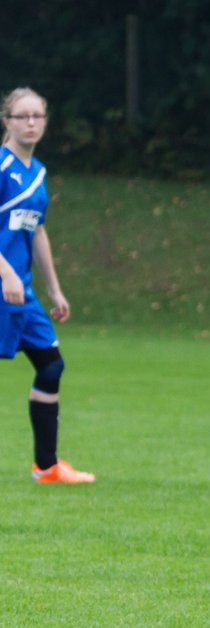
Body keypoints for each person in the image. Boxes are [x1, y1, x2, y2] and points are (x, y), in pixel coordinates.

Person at [1, 87, 94, 483]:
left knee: (51, 366)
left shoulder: (37, 172)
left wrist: (54, 289)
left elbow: (36, 231)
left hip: (23, 292)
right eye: (23, 116)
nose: (31, 122)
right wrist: (4, 272)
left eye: (38, 116)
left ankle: (47, 466)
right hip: (3, 286)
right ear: (7, 121)